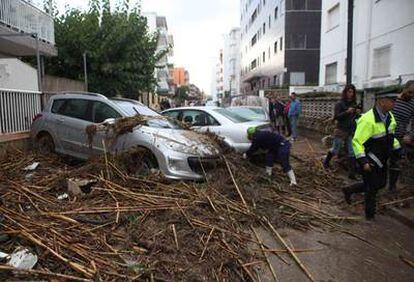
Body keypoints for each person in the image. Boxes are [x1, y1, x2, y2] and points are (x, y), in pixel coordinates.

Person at [342, 89, 401, 220]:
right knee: (372, 189)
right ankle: (370, 216)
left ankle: (349, 190)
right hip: (370, 159)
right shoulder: (368, 119)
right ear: (381, 101)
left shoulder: (390, 117)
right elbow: (357, 142)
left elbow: (391, 137)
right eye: (392, 101)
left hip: (383, 158)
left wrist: (397, 150)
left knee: (380, 184)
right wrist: (363, 161)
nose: (394, 104)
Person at [323, 84, 360, 179]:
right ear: (345, 92)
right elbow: (337, 116)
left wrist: (357, 113)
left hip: (351, 129)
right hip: (341, 129)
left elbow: (356, 117)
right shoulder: (340, 104)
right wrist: (347, 112)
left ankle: (352, 173)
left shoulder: (354, 103)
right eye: (349, 92)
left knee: (352, 151)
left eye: (352, 92)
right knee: (335, 149)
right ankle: (326, 162)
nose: (350, 94)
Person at [388, 81, 414, 192]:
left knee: (396, 161)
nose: (411, 95)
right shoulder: (393, 100)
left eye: (413, 93)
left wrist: (410, 134)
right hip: (385, 135)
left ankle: (392, 186)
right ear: (404, 89)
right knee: (381, 160)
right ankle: (377, 183)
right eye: (410, 92)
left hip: (399, 137)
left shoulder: (413, 104)